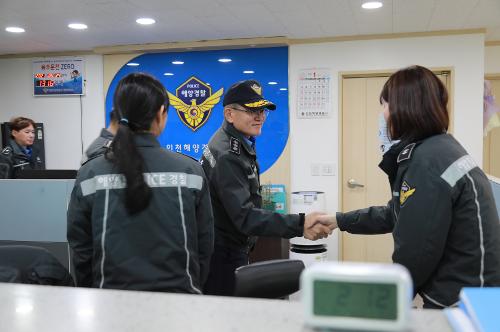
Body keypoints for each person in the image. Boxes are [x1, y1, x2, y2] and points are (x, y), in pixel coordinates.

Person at [320, 65, 500, 308]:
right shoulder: (439, 149)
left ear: (404, 108)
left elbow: (416, 252)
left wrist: (391, 301)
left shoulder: (427, 162)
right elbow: (399, 212)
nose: (382, 115)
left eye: (384, 105)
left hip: (460, 301)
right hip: (472, 289)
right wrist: (339, 220)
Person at [67, 73, 214, 294]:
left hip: (110, 301)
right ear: (161, 113)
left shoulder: (91, 173)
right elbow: (204, 247)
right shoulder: (190, 171)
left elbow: (81, 249)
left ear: (118, 115)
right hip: (179, 301)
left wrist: (92, 293)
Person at [201, 80, 335, 296]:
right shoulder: (228, 154)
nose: (259, 117)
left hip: (228, 245)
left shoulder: (237, 141)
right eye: (251, 111)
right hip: (223, 253)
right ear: (229, 114)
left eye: (262, 110)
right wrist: (301, 223)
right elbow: (245, 217)